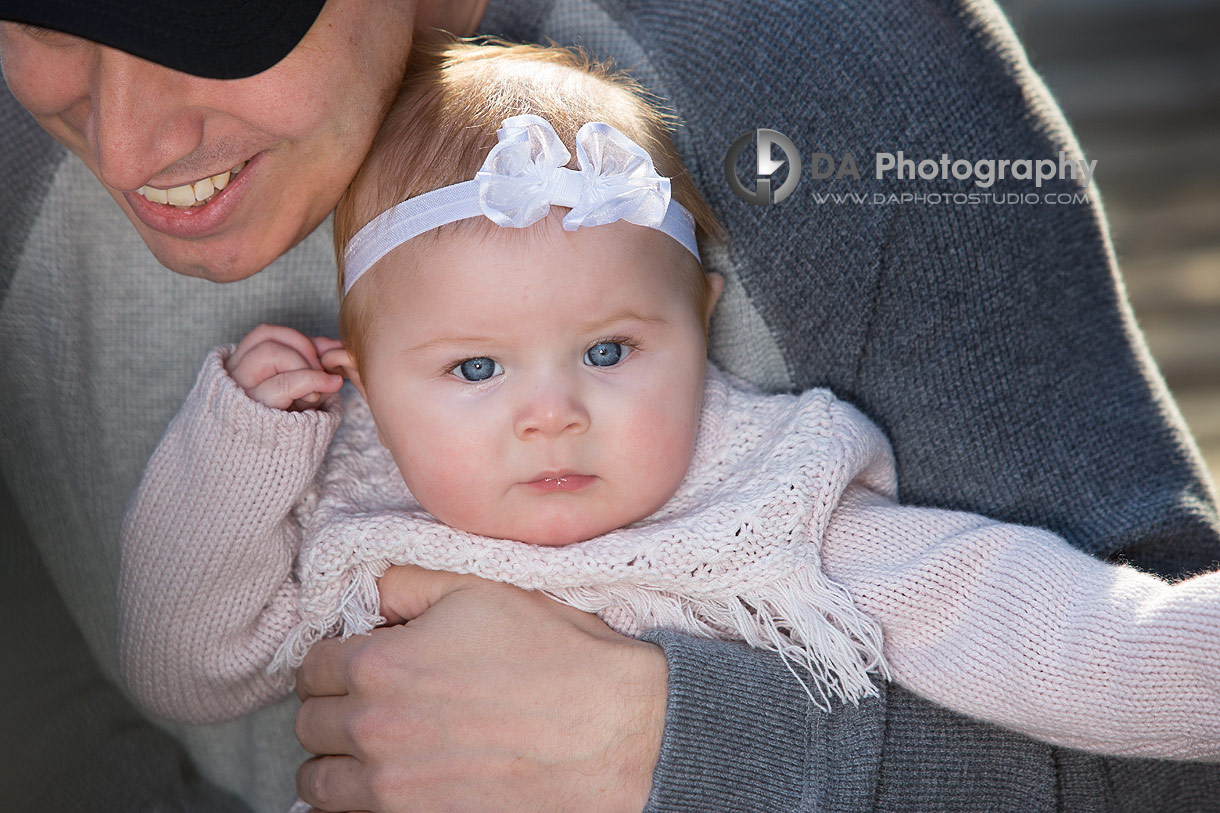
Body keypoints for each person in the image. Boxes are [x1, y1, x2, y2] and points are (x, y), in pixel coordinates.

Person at [1, 1, 1218, 811]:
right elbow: (128, 683)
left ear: (699, 311)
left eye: (202, 18)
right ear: (361, 384)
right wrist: (241, 445)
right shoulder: (358, 515)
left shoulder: (768, 500)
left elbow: (1113, 674)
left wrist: (682, 745)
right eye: (46, 13)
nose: (127, 139)